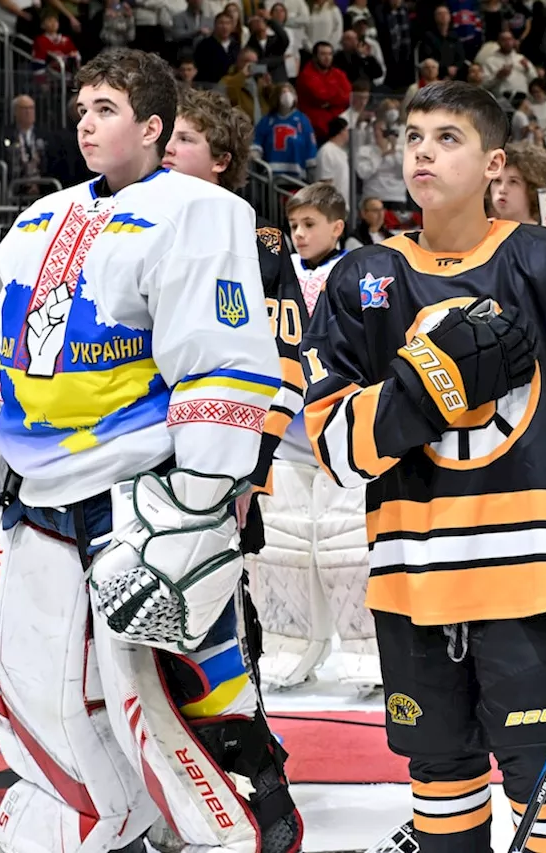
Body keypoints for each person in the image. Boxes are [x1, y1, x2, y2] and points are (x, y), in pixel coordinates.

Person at [0, 48, 296, 853]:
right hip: (35, 490)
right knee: (26, 677)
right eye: (83, 108)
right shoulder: (37, 219)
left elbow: (220, 362)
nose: (86, 123)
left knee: (175, 691)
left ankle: (227, 824)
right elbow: (7, 366)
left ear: (154, 126)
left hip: (136, 494)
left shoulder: (201, 212)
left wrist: (198, 506)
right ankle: (95, 815)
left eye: (107, 109)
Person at [300, 80, 546, 852]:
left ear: (496, 162)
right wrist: (427, 387)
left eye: (448, 137)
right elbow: (334, 445)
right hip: (414, 586)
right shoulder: (364, 279)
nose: (423, 150)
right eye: (413, 136)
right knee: (441, 786)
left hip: (534, 585)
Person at [154, 82, 307, 853]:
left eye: (183, 138)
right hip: (140, 471)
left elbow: (286, 369)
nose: (168, 148)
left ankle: (255, 770)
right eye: (166, 136)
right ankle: (154, 775)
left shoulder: (259, 246)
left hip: (221, 476)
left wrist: (252, 473)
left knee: (222, 627)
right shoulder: (131, 226)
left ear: (220, 160)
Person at [247, 180, 381, 693]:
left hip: (342, 429)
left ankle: (367, 648)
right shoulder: (271, 273)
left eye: (310, 225)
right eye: (294, 225)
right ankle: (288, 642)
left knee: (348, 546)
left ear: (337, 227)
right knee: (281, 547)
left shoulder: (362, 270)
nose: (299, 234)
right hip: (287, 431)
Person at [487, 139, 546, 224]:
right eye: (497, 181)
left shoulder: (545, 235)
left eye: (513, 182)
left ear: (532, 189)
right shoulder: (479, 232)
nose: (502, 189)